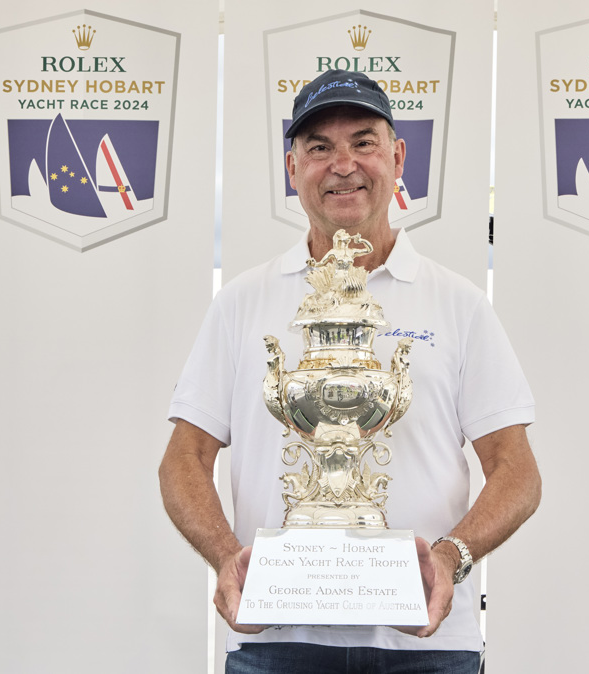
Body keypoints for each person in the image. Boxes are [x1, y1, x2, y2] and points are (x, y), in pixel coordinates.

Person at [159, 69, 541, 674]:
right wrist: (226, 555)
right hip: (275, 641)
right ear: (292, 170)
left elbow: (516, 470)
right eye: (318, 148)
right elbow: (183, 457)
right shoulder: (242, 301)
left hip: (428, 645)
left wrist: (449, 558)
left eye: (363, 141)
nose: (343, 164)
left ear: (398, 156)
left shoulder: (458, 302)